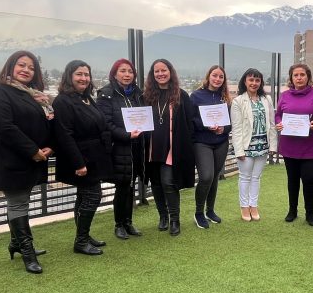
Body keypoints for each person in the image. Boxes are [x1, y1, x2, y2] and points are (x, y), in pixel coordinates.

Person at [0, 50, 54, 274]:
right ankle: (27, 251)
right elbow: (5, 127)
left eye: (31, 67)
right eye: (21, 65)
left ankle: (15, 243)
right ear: (10, 66)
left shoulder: (29, 94)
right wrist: (33, 151)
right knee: (18, 203)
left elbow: (41, 123)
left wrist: (49, 146)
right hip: (9, 159)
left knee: (20, 201)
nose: (26, 70)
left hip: (30, 158)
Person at [53, 60, 113, 256]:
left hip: (94, 156)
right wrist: (78, 163)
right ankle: (80, 241)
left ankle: (84, 236)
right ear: (69, 76)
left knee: (84, 196)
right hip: (80, 158)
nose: (84, 78)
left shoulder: (86, 98)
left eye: (86, 75)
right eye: (79, 74)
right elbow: (64, 135)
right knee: (93, 196)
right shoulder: (63, 101)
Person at [143, 59, 195, 236]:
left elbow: (189, 123)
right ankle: (163, 216)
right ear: (152, 75)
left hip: (172, 148)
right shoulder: (146, 96)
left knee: (168, 183)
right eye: (156, 71)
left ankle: (174, 219)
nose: (160, 74)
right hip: (151, 148)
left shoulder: (181, 95)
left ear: (170, 72)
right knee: (156, 184)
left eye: (163, 70)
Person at [275, 63, 313, 226]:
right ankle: (292, 211)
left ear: (308, 77)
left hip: (310, 146)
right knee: (292, 180)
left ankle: (310, 213)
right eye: (296, 75)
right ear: (291, 78)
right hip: (289, 145)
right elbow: (278, 115)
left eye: (302, 75)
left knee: (309, 179)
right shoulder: (284, 95)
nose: (299, 78)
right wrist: (279, 123)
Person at [96, 59, 145, 240]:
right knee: (122, 186)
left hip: (137, 147)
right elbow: (105, 123)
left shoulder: (137, 94)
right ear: (115, 74)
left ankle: (128, 222)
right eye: (122, 71)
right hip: (119, 147)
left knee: (131, 185)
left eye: (130, 71)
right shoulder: (106, 94)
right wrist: (126, 135)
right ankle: (119, 224)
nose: (127, 75)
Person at [231, 68, 278, 221]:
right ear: (245, 82)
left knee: (256, 177)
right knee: (245, 177)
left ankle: (254, 205)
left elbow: (272, 124)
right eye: (251, 80)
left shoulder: (267, 99)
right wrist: (239, 150)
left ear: (261, 82)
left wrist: (273, 146)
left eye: (257, 80)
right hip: (246, 147)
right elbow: (236, 128)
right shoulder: (238, 101)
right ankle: (244, 207)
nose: (254, 83)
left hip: (263, 145)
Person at [190, 65, 231, 228]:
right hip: (202, 142)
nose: (217, 79)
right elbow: (191, 120)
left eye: (221, 77)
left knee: (214, 177)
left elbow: (230, 123)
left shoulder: (225, 97)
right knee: (206, 176)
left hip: (221, 142)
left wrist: (223, 129)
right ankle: (198, 213)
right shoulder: (196, 96)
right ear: (208, 76)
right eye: (215, 75)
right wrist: (206, 125)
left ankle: (210, 210)